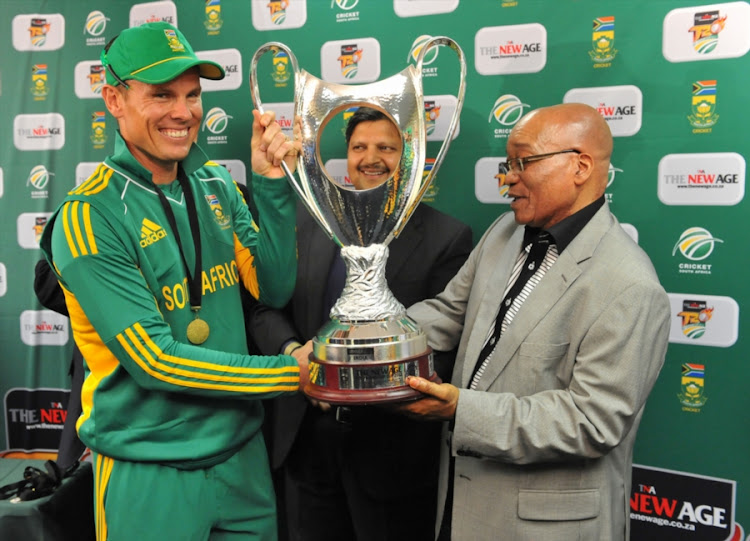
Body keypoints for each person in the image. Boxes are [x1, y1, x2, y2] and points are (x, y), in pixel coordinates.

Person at [39, 22, 307, 541]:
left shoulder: (217, 185)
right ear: (115, 100)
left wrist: (271, 184)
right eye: (161, 94)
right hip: (150, 470)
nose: (183, 112)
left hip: (243, 460)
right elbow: (154, 361)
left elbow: (273, 290)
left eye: (191, 94)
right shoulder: (88, 215)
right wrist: (290, 374)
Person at [398, 103, 671, 541]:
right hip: (461, 506)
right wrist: (372, 340)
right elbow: (448, 313)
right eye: (507, 164)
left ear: (579, 166)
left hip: (545, 526)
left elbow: (590, 420)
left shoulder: (631, 285)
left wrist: (459, 409)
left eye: (522, 163)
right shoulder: (502, 233)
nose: (507, 177)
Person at [246, 107, 473, 541]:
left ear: (410, 157)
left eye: (387, 147)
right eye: (360, 147)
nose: (372, 158)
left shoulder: (448, 237)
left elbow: (444, 341)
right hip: (306, 443)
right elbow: (265, 309)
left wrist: (358, 378)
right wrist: (296, 354)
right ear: (346, 155)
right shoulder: (303, 223)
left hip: (391, 454)